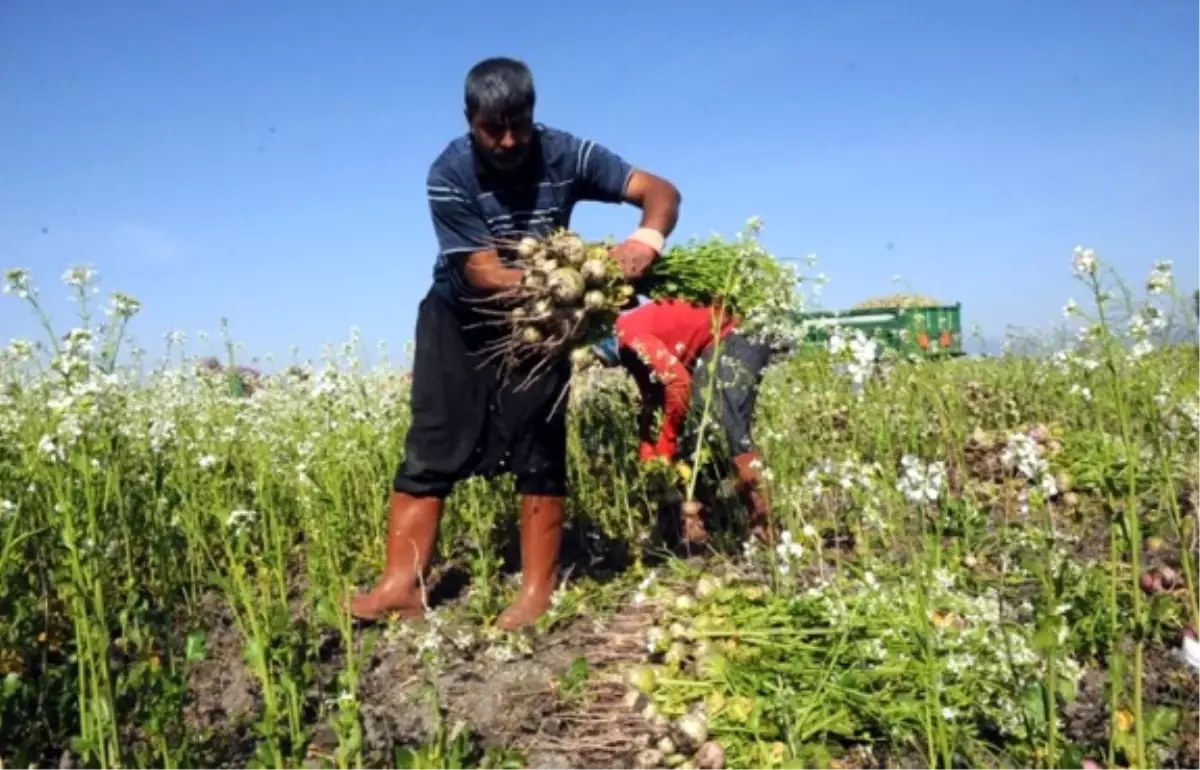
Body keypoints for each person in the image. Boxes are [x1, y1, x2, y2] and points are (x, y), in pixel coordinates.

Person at [349, 57, 682, 630]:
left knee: (539, 447)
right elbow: (481, 272)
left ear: (533, 114)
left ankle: (536, 593)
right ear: (469, 119)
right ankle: (401, 587)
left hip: (541, 326)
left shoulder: (566, 153)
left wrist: (644, 242)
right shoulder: (448, 172)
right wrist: (568, 279)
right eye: (491, 129)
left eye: (518, 126)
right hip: (462, 320)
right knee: (430, 447)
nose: (507, 140)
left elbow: (658, 189)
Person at [590, 297, 774, 545]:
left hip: (737, 331)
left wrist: (666, 441)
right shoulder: (628, 349)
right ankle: (704, 520)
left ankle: (764, 525)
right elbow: (653, 393)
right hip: (714, 343)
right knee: (697, 426)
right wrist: (647, 442)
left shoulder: (629, 335)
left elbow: (678, 384)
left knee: (726, 419)